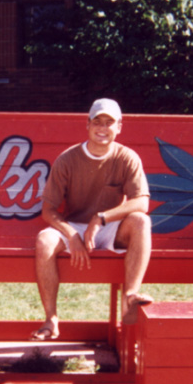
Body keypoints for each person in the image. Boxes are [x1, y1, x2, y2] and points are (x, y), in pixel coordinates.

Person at [31, 98, 153, 340]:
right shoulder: (68, 159)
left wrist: (101, 219)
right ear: (87, 124)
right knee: (44, 240)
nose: (102, 128)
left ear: (119, 126)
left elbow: (142, 202)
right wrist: (72, 234)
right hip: (74, 225)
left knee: (141, 221)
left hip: (111, 227)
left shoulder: (128, 157)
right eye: (97, 122)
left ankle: (130, 297)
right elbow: (49, 210)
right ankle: (51, 319)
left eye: (109, 123)